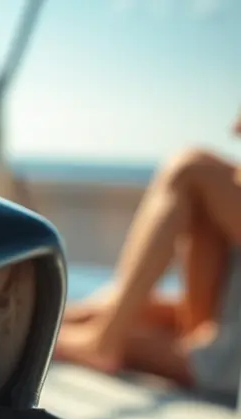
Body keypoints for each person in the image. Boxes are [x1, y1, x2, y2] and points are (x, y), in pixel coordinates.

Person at [54, 109, 241, 397]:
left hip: (226, 359)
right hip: (213, 324)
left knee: (189, 169)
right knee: (94, 310)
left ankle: (103, 342)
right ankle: (93, 334)